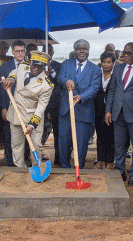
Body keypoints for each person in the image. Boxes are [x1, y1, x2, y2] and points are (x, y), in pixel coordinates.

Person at [105, 42, 133, 184]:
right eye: (124, 53)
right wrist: (108, 110)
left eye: (129, 53)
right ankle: (120, 171)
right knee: (119, 145)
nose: (125, 55)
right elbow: (112, 91)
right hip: (118, 113)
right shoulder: (118, 69)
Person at [2, 51, 54, 167]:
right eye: (33, 65)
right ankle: (19, 168)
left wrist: (31, 125)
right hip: (16, 112)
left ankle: (37, 167)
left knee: (35, 145)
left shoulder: (47, 85)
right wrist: (11, 78)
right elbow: (15, 72)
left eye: (39, 67)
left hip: (33, 115)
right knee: (16, 144)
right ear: (30, 63)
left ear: (44, 67)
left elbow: (41, 107)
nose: (35, 69)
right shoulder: (23, 67)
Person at [58, 39, 101, 169]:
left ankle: (78, 169)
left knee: (81, 144)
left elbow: (94, 88)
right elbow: (60, 78)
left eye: (84, 49)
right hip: (66, 111)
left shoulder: (95, 69)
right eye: (79, 49)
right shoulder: (66, 64)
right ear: (75, 51)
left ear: (88, 51)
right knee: (63, 141)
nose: (82, 51)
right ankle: (65, 167)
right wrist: (66, 81)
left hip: (84, 111)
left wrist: (81, 97)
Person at [0, 40, 27, 167]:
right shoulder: (5, 67)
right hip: (10, 107)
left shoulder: (31, 65)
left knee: (26, 135)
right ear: (12, 52)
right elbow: (1, 90)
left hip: (26, 107)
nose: (20, 53)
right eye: (17, 51)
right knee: (11, 136)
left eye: (22, 51)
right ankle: (11, 163)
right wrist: (4, 108)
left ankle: (26, 161)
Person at [94, 51, 116, 170]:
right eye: (104, 62)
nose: (106, 65)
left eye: (109, 62)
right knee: (100, 135)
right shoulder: (98, 74)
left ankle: (110, 162)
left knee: (111, 135)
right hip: (98, 109)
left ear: (113, 63)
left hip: (112, 110)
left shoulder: (116, 75)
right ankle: (100, 160)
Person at [42, 44, 62, 165]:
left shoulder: (58, 66)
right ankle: (34, 157)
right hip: (40, 104)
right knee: (38, 132)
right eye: (45, 50)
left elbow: (59, 80)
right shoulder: (36, 65)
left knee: (58, 133)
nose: (48, 52)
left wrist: (50, 70)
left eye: (50, 50)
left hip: (55, 104)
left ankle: (58, 158)